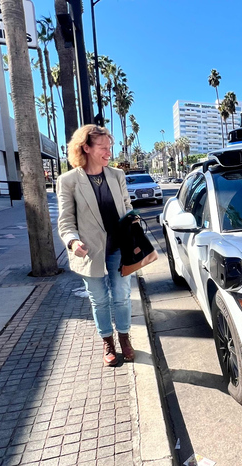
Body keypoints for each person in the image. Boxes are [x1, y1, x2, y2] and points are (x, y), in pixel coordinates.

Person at [57, 125, 134, 366]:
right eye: (102, 148)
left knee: (121, 296)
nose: (108, 152)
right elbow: (66, 221)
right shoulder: (68, 181)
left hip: (120, 249)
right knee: (99, 300)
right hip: (90, 252)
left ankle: (124, 337)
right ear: (86, 148)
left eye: (109, 147)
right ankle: (107, 341)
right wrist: (72, 241)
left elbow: (127, 207)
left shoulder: (117, 175)